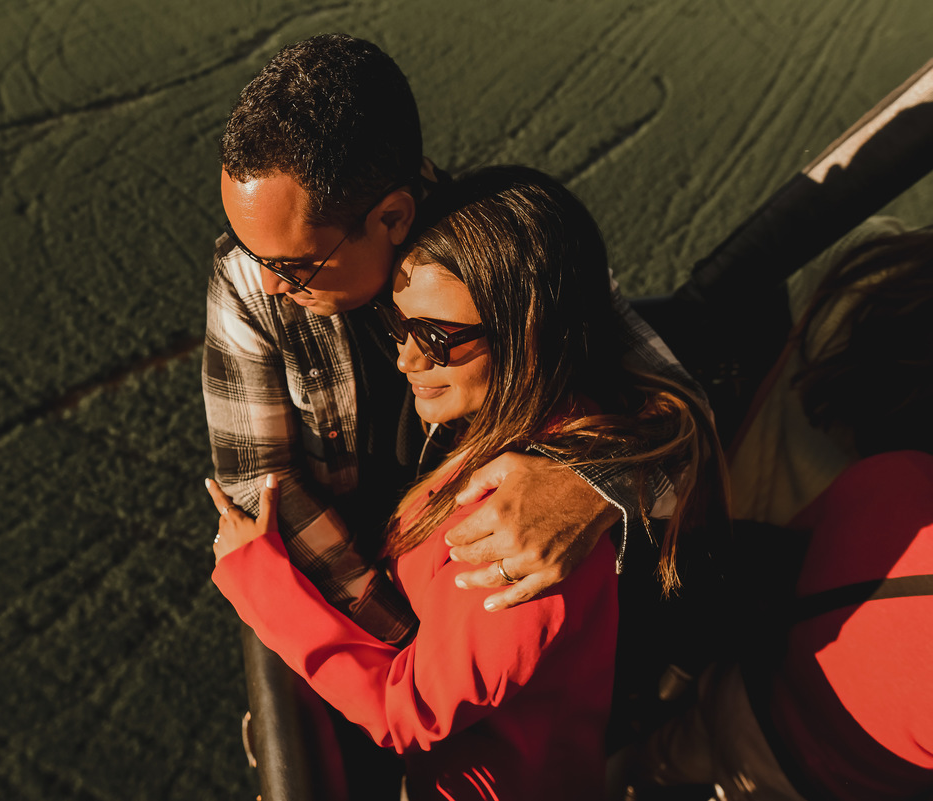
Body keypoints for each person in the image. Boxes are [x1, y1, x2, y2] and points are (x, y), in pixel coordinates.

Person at [206, 166, 725, 800]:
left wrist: (259, 582)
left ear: (528, 332)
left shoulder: (521, 537)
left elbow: (409, 712)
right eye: (399, 327)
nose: (406, 359)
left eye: (438, 338)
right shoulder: (506, 434)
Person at [204, 34, 704, 648]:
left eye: (296, 264)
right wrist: (418, 647)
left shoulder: (515, 252)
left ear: (393, 217)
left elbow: (683, 414)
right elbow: (263, 490)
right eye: (254, 250)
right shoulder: (249, 278)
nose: (271, 283)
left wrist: (592, 488)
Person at [624, 223, 933, 800]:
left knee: (655, 761)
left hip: (730, 594)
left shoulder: (875, 266)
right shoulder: (903, 483)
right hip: (806, 703)